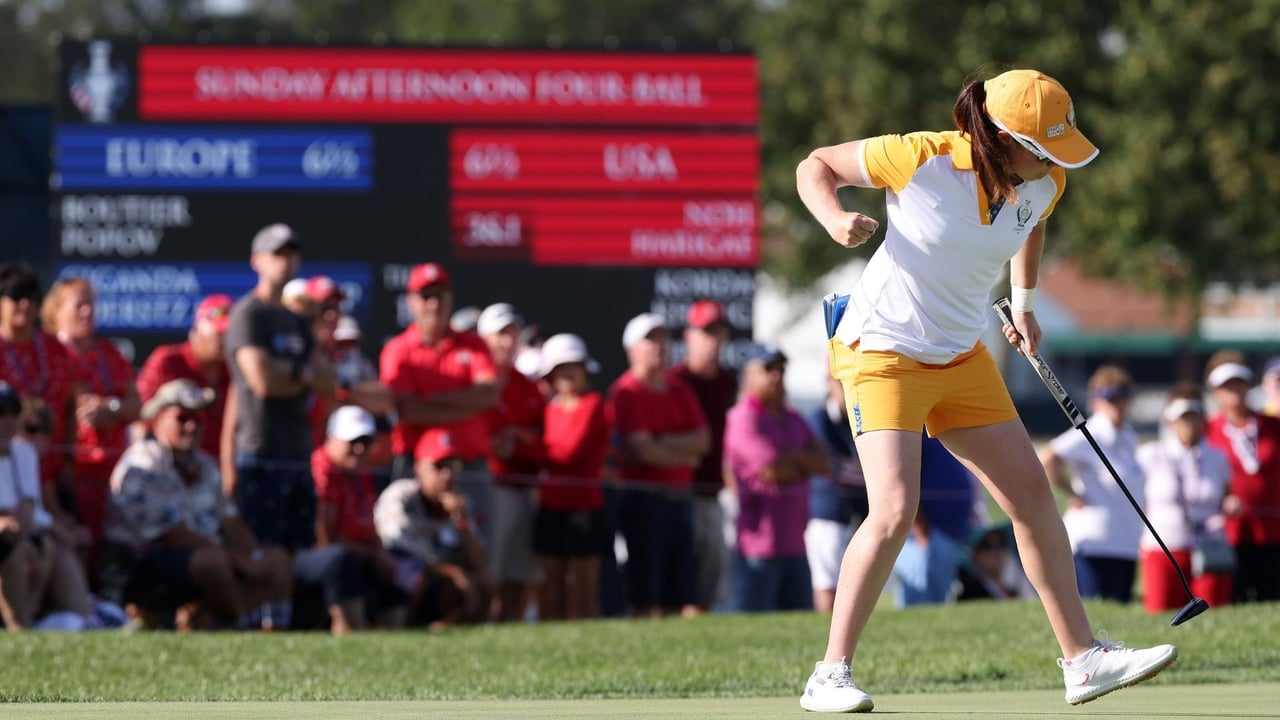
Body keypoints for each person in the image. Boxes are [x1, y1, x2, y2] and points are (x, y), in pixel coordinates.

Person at [794, 69, 1176, 712]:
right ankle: (829, 674)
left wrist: (1024, 304)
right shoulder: (920, 157)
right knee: (892, 509)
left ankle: (1083, 661)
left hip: (961, 354)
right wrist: (832, 220)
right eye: (1044, 149)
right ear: (1000, 138)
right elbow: (816, 164)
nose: (1057, 164)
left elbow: (1031, 225)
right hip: (881, 352)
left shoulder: (1044, 180)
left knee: (1031, 497)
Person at [102, 379, 293, 630]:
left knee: (277, 560)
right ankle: (232, 625)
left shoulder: (205, 466)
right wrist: (235, 558)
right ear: (158, 419)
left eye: (198, 419)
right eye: (182, 418)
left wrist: (253, 556)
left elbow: (231, 521)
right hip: (140, 567)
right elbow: (171, 535)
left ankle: (216, 624)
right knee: (211, 562)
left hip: (207, 560)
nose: (192, 426)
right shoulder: (144, 464)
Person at [224, 224, 335, 553]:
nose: (284, 262)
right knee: (263, 551)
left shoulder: (296, 319)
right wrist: (303, 375)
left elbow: (329, 381)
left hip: (298, 450)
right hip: (261, 452)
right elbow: (263, 383)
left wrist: (291, 372)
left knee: (298, 551)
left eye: (290, 254)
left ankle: (286, 608)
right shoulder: (248, 315)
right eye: (276, 254)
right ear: (256, 261)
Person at [379, 263, 499, 549]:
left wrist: (431, 398)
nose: (434, 303)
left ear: (451, 298)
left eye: (440, 294)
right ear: (411, 301)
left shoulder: (474, 345)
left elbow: (489, 395)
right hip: (418, 470)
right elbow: (408, 410)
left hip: (469, 468)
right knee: (412, 556)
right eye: (425, 295)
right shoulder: (398, 349)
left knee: (479, 556)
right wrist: (466, 401)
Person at [607, 312, 709, 617]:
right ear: (631, 349)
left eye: (662, 338)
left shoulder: (679, 389)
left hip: (680, 499)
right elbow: (641, 452)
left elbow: (703, 441)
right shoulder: (626, 392)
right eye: (650, 339)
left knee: (681, 593)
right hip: (643, 501)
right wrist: (682, 450)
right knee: (646, 592)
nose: (659, 346)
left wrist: (660, 441)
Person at [724, 344, 828, 612]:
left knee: (800, 630)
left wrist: (792, 458)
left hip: (795, 543)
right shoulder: (743, 418)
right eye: (768, 369)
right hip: (758, 548)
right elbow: (772, 469)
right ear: (749, 374)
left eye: (781, 369)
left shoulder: (792, 416)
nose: (776, 376)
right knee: (752, 630)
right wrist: (803, 461)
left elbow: (824, 462)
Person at [43, 277, 142, 542]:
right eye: (79, 305)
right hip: (67, 472)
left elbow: (136, 406)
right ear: (56, 311)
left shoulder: (110, 352)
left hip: (113, 473)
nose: (88, 311)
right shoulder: (49, 352)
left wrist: (111, 407)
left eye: (91, 304)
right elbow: (80, 406)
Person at [0, 263, 92, 544]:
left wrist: (67, 461)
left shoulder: (55, 349)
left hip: (53, 466)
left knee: (75, 537)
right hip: (7, 465)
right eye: (16, 296)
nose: (25, 304)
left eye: (31, 297)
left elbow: (71, 408)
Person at [294, 405, 407, 633]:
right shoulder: (322, 470)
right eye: (352, 441)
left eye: (365, 442)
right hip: (310, 557)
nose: (359, 449)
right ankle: (352, 634)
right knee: (341, 561)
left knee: (396, 561)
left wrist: (381, 555)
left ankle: (396, 639)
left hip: (357, 553)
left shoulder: (360, 472)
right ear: (332, 438)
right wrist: (372, 555)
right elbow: (323, 539)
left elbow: (369, 527)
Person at [1040, 365, 1145, 604]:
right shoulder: (1091, 431)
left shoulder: (1128, 435)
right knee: (1096, 611)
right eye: (1111, 400)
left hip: (1125, 540)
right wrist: (1073, 492)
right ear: (1097, 402)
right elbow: (1048, 456)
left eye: (1123, 399)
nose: (1118, 406)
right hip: (1095, 541)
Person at [374, 429, 492, 629]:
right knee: (422, 579)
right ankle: (403, 629)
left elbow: (479, 561)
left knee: (485, 581)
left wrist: (461, 523)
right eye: (439, 466)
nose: (447, 474)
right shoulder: (402, 496)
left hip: (440, 577)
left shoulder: (458, 502)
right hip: (399, 571)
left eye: (453, 466)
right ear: (419, 468)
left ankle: (445, 628)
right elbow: (398, 550)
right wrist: (452, 572)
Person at [667, 299, 739, 612]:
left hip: (712, 490)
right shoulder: (676, 380)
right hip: (679, 489)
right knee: (681, 575)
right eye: (706, 331)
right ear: (689, 336)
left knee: (710, 571)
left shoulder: (727, 380)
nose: (713, 339)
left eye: (718, 331)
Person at [1135, 384, 1232, 613]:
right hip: (1164, 545)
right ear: (1170, 422)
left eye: (1194, 417)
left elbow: (1226, 496)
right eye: (1183, 419)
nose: (1189, 424)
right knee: (1161, 614)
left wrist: (1230, 504)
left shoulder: (1217, 457)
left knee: (1212, 613)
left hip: (1209, 545)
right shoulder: (1152, 454)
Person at [478, 303, 545, 622]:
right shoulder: (475, 382)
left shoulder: (527, 386)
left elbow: (543, 437)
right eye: (500, 334)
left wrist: (515, 438)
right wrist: (493, 444)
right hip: (490, 486)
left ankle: (513, 627)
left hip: (526, 485)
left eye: (512, 333)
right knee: (492, 567)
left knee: (522, 571)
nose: (508, 341)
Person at [535, 334, 610, 621]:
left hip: (584, 509)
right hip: (551, 505)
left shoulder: (593, 404)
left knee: (583, 596)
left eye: (573, 365)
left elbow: (568, 454)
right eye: (561, 366)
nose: (568, 373)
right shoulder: (550, 409)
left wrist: (520, 447)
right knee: (550, 593)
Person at [1202, 352, 1280, 603]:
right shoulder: (1206, 429)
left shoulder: (1272, 425)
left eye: (1239, 382)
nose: (1234, 390)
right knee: (1233, 598)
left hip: (1273, 529)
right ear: (1214, 391)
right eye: (1226, 385)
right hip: (1229, 531)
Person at [136, 294, 233, 460]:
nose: (225, 341)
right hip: (168, 467)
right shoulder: (168, 360)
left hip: (217, 469)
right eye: (219, 334)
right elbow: (140, 417)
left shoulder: (234, 368)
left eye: (229, 335)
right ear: (197, 331)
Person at [806, 374, 869, 612]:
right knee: (827, 582)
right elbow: (832, 467)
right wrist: (871, 470)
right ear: (829, 383)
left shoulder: (858, 416)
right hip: (828, 512)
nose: (845, 388)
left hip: (859, 512)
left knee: (857, 582)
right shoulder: (819, 419)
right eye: (839, 383)